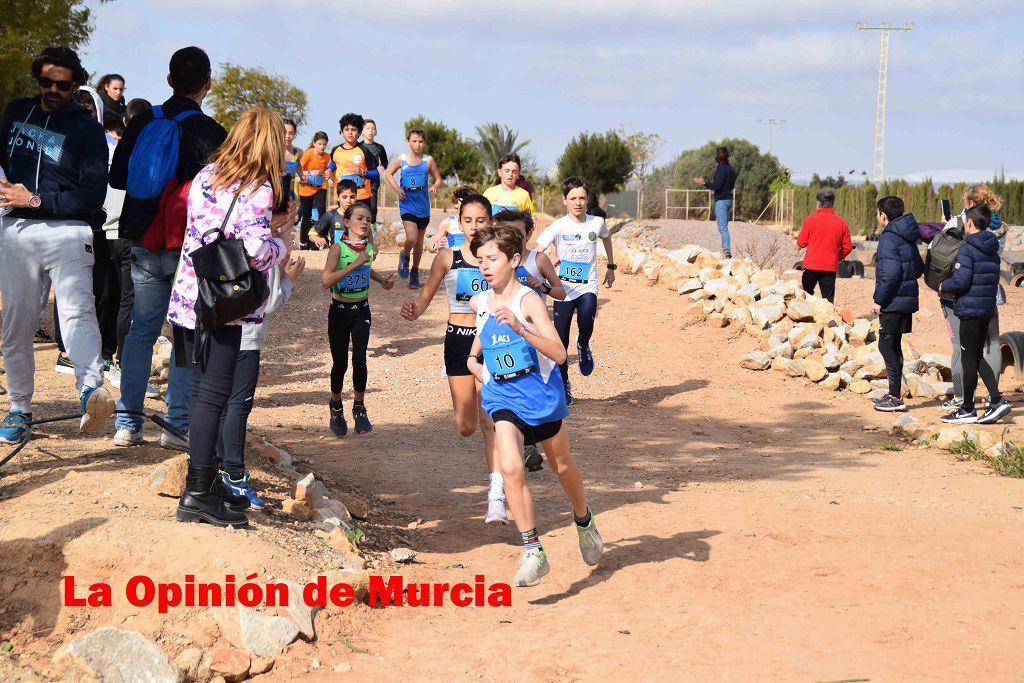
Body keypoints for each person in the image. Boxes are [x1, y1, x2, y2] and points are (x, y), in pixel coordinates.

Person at [168, 106, 293, 528]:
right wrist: (281, 248)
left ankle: (206, 481)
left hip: (192, 297)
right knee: (213, 397)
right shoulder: (259, 189)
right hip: (227, 304)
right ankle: (198, 491)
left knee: (201, 390)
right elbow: (256, 251)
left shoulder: (205, 177)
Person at [465, 223, 603, 587]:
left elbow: (558, 352)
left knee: (560, 465)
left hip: (540, 396)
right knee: (511, 467)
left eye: (492, 258)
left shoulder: (527, 301)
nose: (484, 266)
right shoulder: (481, 302)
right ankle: (533, 551)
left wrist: (522, 329)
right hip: (503, 398)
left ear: (513, 260)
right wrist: (475, 366)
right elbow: (477, 350)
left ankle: (584, 519)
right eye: (480, 260)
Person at [109, 46, 228, 450]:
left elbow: (118, 178)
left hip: (141, 237)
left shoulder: (143, 120)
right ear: (207, 84)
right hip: (188, 246)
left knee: (143, 328)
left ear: (168, 79)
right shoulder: (212, 133)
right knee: (185, 332)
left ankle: (127, 422)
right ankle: (176, 425)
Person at [0, 46, 116, 445]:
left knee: (77, 310)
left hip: (68, 230)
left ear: (75, 85)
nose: (52, 90)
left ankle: (90, 392)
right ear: (38, 79)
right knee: (16, 323)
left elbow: (90, 195)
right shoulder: (16, 111)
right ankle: (20, 409)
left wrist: (33, 200)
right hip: (15, 233)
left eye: (62, 85)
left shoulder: (86, 130)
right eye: (46, 81)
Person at [401, 194, 507, 523]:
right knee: (466, 425)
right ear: (459, 223)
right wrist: (413, 311)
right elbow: (425, 297)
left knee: (492, 419)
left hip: (491, 345)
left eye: (482, 221)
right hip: (458, 342)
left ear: (491, 222)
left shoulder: (499, 259)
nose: (475, 227)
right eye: (469, 220)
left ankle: (497, 495)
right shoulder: (447, 258)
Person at [219, 251, 306, 509]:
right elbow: (269, 302)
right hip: (245, 340)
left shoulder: (243, 240)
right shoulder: (265, 251)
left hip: (219, 332)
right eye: (292, 229)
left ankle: (214, 467)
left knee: (220, 403)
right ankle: (233, 474)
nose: (293, 241)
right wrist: (289, 278)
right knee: (237, 405)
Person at [495, 208, 567, 473]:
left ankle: (541, 438)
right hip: (505, 341)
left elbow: (561, 292)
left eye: (519, 232)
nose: (514, 237)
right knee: (514, 390)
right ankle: (527, 447)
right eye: (507, 232)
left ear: (529, 232)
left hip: (538, 340)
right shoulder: (495, 263)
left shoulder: (538, 259)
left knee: (536, 391)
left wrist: (543, 287)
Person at [535, 177, 615, 406]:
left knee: (588, 316)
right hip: (563, 290)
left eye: (582, 197)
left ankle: (583, 343)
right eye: (573, 198)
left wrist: (610, 266)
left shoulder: (596, 223)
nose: (578, 202)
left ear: (588, 199)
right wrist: (544, 263)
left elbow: (607, 238)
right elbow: (538, 250)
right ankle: (564, 385)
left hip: (587, 285)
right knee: (560, 341)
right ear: (565, 200)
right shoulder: (558, 226)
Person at [322, 203, 396, 437]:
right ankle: (335, 405)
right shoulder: (337, 249)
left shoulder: (370, 250)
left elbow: (366, 269)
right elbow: (326, 280)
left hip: (361, 310)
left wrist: (380, 279)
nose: (365, 223)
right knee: (340, 363)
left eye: (368, 219)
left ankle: (359, 407)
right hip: (339, 311)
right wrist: (353, 264)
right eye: (360, 218)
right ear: (347, 222)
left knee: (360, 359)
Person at [938, 185, 1008, 414]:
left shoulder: (965, 235)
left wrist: (943, 286)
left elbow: (961, 278)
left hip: (968, 303)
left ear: (969, 206)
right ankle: (994, 398)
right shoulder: (994, 234)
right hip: (989, 298)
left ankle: (964, 402)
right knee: (990, 346)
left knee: (964, 351)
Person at [102, 98, 152, 390]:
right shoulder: (144, 154)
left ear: (124, 120)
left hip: (106, 232)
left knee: (110, 299)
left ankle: (108, 356)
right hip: (130, 235)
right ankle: (122, 361)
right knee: (130, 303)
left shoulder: (112, 150)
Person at [871, 196, 924, 413]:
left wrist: (879, 300)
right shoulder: (908, 236)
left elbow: (891, 274)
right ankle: (894, 393)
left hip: (892, 302)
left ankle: (895, 396)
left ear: (883, 215)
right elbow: (918, 267)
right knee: (894, 345)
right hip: (906, 300)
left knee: (885, 345)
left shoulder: (889, 238)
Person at [385, 126, 442, 289]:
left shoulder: (428, 161)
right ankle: (404, 256)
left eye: (421, 141)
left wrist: (435, 187)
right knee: (411, 238)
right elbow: (388, 174)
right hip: (406, 203)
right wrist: (398, 189)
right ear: (407, 142)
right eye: (414, 141)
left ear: (424, 143)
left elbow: (438, 179)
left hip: (423, 205)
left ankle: (414, 272)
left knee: (419, 243)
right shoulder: (401, 159)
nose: (418, 144)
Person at [797, 188, 853, 303]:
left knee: (805, 296)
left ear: (818, 204)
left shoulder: (810, 220)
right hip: (830, 267)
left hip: (811, 266)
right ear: (832, 204)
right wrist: (836, 257)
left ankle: (806, 318)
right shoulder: (841, 222)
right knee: (828, 300)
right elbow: (848, 247)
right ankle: (829, 320)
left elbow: (801, 243)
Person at [693, 146, 737, 258]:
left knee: (722, 227)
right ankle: (724, 250)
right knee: (724, 226)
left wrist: (704, 183)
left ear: (717, 157)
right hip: (729, 199)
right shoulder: (731, 169)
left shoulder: (720, 169)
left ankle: (727, 251)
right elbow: (731, 185)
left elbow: (717, 185)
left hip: (721, 201)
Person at [329, 113, 380, 212]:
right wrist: (329, 170)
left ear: (360, 133)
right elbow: (333, 163)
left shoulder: (364, 151)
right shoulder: (335, 150)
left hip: (361, 196)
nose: (350, 133)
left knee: (360, 224)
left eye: (353, 130)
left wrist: (363, 173)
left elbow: (376, 174)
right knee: (345, 225)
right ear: (341, 132)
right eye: (346, 130)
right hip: (343, 196)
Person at [297, 131, 330, 250]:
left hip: (320, 187)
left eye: (324, 144)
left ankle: (321, 239)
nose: (322, 147)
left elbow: (328, 170)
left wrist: (328, 175)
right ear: (314, 143)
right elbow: (298, 170)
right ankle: (303, 242)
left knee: (322, 211)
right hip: (306, 188)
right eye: (320, 144)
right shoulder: (308, 154)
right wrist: (310, 173)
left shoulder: (327, 156)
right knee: (307, 216)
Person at [310, 179, 358, 249]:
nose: (348, 201)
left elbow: (368, 236)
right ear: (338, 197)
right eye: (344, 197)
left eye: (352, 197)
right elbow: (312, 233)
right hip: (336, 257)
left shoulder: (361, 216)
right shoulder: (331, 215)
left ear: (356, 197)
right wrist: (317, 239)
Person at [431, 185, 477, 253]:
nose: (467, 204)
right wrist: (436, 245)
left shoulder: (478, 223)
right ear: (456, 203)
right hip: (455, 261)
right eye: (464, 200)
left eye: (471, 201)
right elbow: (430, 246)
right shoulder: (448, 223)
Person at [361, 119, 388, 227]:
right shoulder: (358, 147)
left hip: (373, 182)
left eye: (373, 128)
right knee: (360, 207)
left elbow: (385, 161)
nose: (371, 131)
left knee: (372, 207)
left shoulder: (380, 148)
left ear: (376, 132)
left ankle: (372, 229)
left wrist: (382, 166)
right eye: (368, 128)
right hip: (360, 182)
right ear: (362, 132)